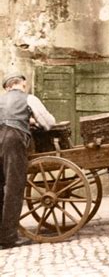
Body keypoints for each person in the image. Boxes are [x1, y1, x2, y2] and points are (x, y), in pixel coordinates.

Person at [0, 72, 56, 249]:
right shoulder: (29, 99)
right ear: (22, 84)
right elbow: (49, 123)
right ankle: (8, 238)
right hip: (13, 140)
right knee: (14, 187)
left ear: (7, 87)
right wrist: (31, 121)